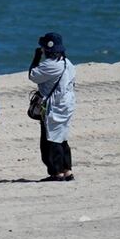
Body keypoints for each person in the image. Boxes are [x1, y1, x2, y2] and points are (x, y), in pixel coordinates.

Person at [28, 32, 76, 181]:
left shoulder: (50, 65)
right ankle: (67, 170)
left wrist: (36, 58)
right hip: (67, 104)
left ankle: (57, 173)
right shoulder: (68, 64)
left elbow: (32, 75)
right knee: (62, 137)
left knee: (50, 139)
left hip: (54, 106)